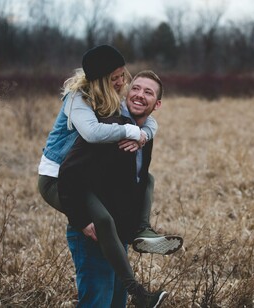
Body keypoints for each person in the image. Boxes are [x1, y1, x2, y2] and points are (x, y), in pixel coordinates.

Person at [37, 45, 182, 307]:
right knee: (101, 219)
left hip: (81, 179)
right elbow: (92, 135)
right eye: (115, 78)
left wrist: (143, 135)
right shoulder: (78, 99)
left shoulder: (113, 101)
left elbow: (146, 120)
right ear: (101, 79)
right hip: (58, 175)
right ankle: (139, 293)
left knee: (147, 179)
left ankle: (141, 229)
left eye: (123, 75)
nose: (123, 82)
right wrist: (129, 131)